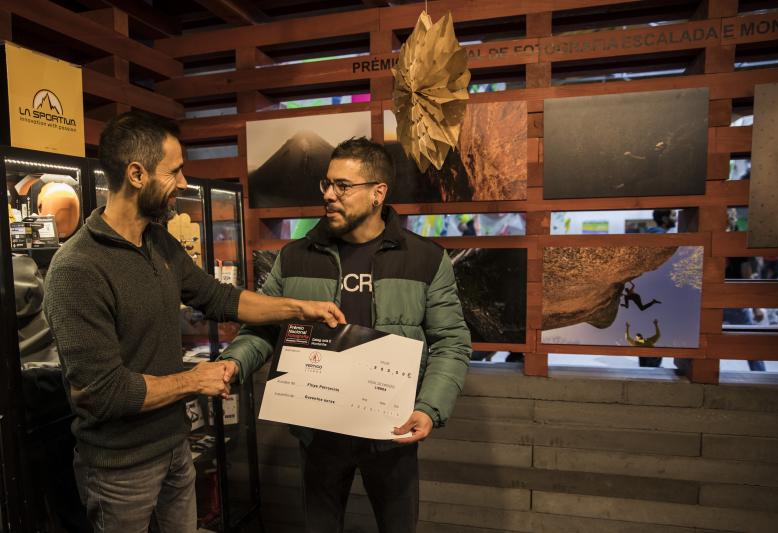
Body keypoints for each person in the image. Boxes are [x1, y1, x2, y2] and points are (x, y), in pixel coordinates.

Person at [44, 110, 345, 533]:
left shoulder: (159, 243)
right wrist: (193, 380)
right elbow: (100, 393)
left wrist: (299, 309)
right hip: (120, 473)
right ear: (136, 174)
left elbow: (218, 297)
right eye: (175, 171)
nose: (184, 183)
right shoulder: (76, 269)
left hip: (174, 450)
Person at [219, 137, 471, 533]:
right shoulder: (295, 256)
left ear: (378, 193)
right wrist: (233, 362)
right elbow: (262, 327)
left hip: (392, 432)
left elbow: (451, 343)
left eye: (343, 186)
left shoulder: (426, 259)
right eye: (327, 184)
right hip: (318, 431)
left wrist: (429, 407)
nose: (329, 195)